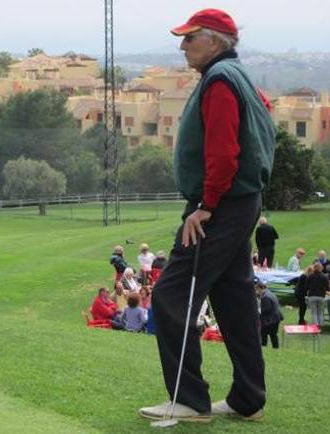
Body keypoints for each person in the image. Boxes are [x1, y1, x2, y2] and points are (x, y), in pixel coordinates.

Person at [139, 9, 276, 423]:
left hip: (220, 204)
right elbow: (263, 115)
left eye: (190, 38)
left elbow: (223, 153)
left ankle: (190, 399)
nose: (182, 46)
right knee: (233, 297)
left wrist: (206, 206)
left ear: (214, 41)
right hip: (240, 200)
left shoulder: (219, 81)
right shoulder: (237, 75)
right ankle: (247, 398)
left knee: (172, 294)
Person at [255, 280, 283, 349]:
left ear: (260, 288)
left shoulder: (265, 297)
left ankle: (263, 346)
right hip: (276, 317)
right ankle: (276, 348)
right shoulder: (270, 293)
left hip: (270, 319)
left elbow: (265, 310)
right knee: (273, 335)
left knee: (264, 333)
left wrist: (257, 310)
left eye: (257, 290)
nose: (257, 292)